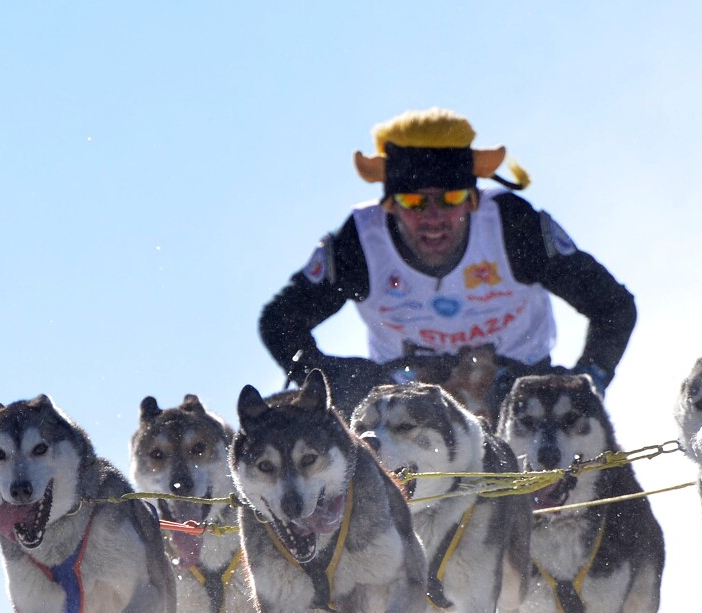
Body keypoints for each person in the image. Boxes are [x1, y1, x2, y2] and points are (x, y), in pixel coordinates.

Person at [258, 107, 637, 416]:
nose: (433, 217)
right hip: (408, 407)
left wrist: (590, 379)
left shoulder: (510, 225)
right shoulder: (359, 242)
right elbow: (280, 321)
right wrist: (328, 378)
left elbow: (613, 305)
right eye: (413, 202)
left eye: (451, 198)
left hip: (520, 396)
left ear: (472, 200)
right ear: (389, 206)